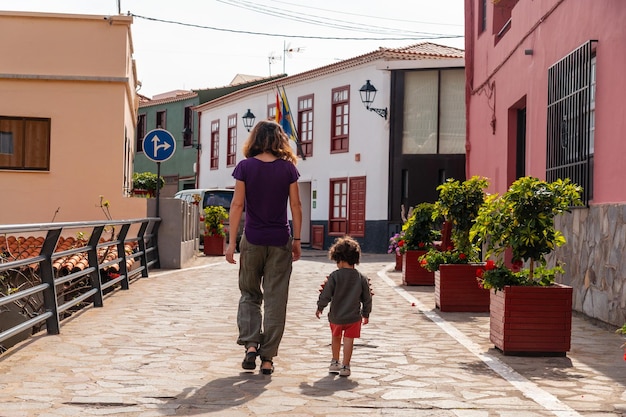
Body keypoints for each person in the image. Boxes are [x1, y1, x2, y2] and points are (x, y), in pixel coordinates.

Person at [225, 120, 302, 375]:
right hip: (280, 240)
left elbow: (237, 206)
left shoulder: (245, 167)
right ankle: (267, 359)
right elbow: (296, 206)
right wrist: (298, 240)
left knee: (249, 294)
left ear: (254, 139)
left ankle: (250, 345)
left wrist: (230, 242)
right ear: (280, 140)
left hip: (253, 239)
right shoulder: (288, 169)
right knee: (275, 300)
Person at [316, 236, 372, 377]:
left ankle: (335, 362)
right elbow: (367, 298)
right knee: (348, 341)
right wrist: (366, 313)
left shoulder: (335, 276)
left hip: (336, 316)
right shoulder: (361, 277)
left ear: (339, 259)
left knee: (335, 338)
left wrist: (320, 307)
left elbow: (326, 294)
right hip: (353, 317)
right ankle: (346, 366)